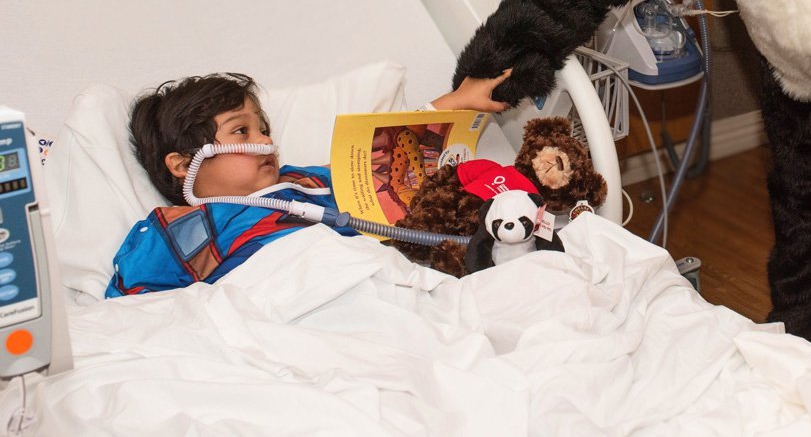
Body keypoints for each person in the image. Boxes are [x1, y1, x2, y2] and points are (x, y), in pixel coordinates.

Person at [106, 70, 509, 297]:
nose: (265, 141)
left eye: (263, 129)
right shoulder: (190, 227)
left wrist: (454, 103)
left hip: (381, 283)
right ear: (182, 165)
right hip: (291, 305)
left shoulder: (304, 183)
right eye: (241, 131)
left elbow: (383, 165)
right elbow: (131, 305)